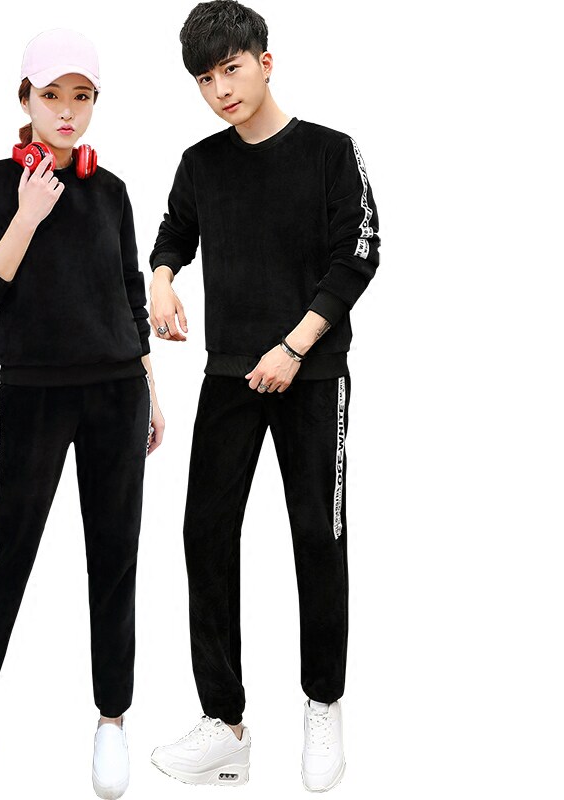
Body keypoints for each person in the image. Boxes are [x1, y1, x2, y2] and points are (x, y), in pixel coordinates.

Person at [146, 0, 380, 791]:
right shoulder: (200, 163)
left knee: (318, 535)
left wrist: (294, 346)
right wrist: (162, 280)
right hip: (228, 376)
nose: (220, 90)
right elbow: (175, 232)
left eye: (231, 69)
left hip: (311, 375)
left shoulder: (330, 152)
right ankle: (225, 724)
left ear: (265, 62)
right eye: (205, 80)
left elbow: (358, 255)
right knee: (204, 536)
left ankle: (323, 703)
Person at [0, 28, 163, 800]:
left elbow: (131, 295)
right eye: (52, 95)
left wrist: (151, 387)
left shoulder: (113, 191)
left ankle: (112, 719)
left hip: (117, 392)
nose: (68, 111)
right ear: (26, 99)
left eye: (82, 96)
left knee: (115, 558)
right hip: (33, 393)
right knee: (9, 547)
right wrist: (28, 213)